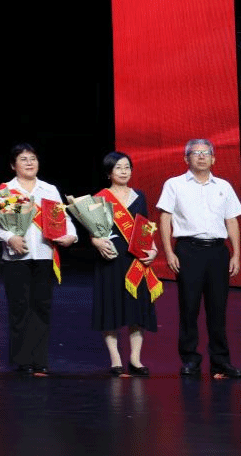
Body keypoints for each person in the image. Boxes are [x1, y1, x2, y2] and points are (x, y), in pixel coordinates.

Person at [157, 138, 241, 379]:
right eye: (196, 153)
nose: (201, 156)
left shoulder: (223, 186)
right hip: (188, 250)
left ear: (213, 159)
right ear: (186, 158)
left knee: (218, 308)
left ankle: (221, 362)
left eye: (206, 152)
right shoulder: (174, 184)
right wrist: (169, 251)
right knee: (189, 307)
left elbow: (231, 220)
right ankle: (190, 360)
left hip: (217, 251)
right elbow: (165, 218)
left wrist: (236, 253)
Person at [0, 143, 77, 377]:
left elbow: (63, 217)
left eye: (33, 158)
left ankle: (40, 359)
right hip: (16, 257)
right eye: (23, 159)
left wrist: (71, 235)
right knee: (20, 308)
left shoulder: (49, 189)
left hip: (44, 254)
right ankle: (22, 360)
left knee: (41, 307)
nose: (29, 163)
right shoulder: (6, 190)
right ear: (13, 165)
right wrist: (10, 238)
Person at [89, 151, 158, 377]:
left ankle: (135, 359)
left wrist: (153, 249)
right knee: (111, 307)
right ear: (109, 172)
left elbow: (145, 226)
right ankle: (115, 359)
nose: (124, 171)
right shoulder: (100, 197)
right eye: (118, 167)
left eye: (127, 167)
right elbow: (93, 230)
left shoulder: (139, 196)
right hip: (110, 256)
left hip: (135, 257)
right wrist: (96, 242)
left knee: (136, 308)